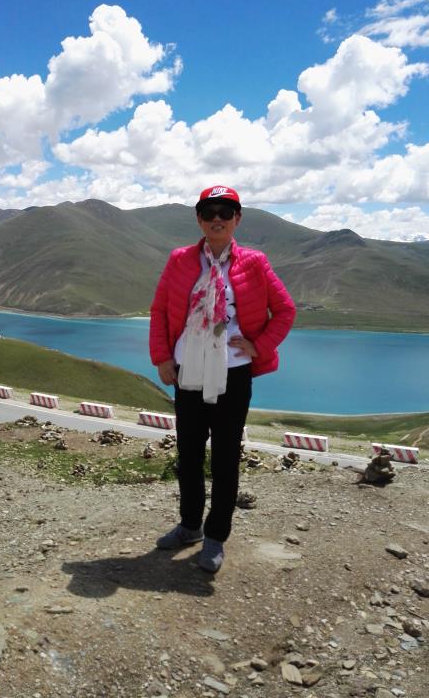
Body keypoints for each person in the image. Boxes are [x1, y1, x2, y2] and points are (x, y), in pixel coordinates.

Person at [149, 185, 296, 573]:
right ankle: (190, 526)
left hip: (233, 372)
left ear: (237, 219)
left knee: (226, 457)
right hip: (188, 370)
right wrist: (162, 357)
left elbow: (285, 310)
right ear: (199, 219)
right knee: (189, 453)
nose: (218, 218)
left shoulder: (255, 263)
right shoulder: (180, 260)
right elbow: (160, 309)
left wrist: (258, 346)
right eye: (209, 211)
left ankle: (216, 536)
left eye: (226, 212)